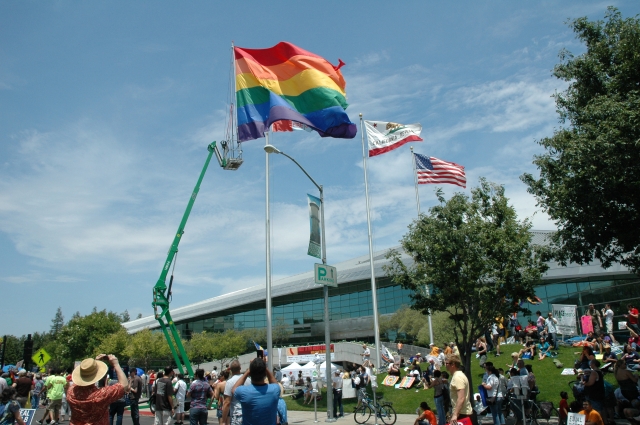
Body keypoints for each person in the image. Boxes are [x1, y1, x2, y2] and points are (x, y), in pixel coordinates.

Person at [66, 354, 129, 425]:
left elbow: (79, 384)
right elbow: (124, 385)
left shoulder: (71, 392)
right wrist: (116, 364)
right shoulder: (101, 395)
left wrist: (93, 365)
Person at [230, 358, 280, 425]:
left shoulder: (244, 392)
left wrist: (247, 372)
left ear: (250, 373)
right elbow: (274, 383)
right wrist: (266, 369)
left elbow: (234, 389)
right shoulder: (274, 390)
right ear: (265, 373)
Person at [444, 354, 477, 425]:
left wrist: (455, 414)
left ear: (453, 364)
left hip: (462, 413)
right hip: (461, 412)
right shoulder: (458, 375)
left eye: (446, 363)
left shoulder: (457, 377)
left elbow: (461, 398)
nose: (445, 365)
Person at [222, 360, 243, 425]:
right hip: (248, 414)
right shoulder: (248, 380)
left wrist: (223, 421)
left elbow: (227, 402)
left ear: (230, 369)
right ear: (240, 368)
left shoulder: (230, 382)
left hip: (236, 415)